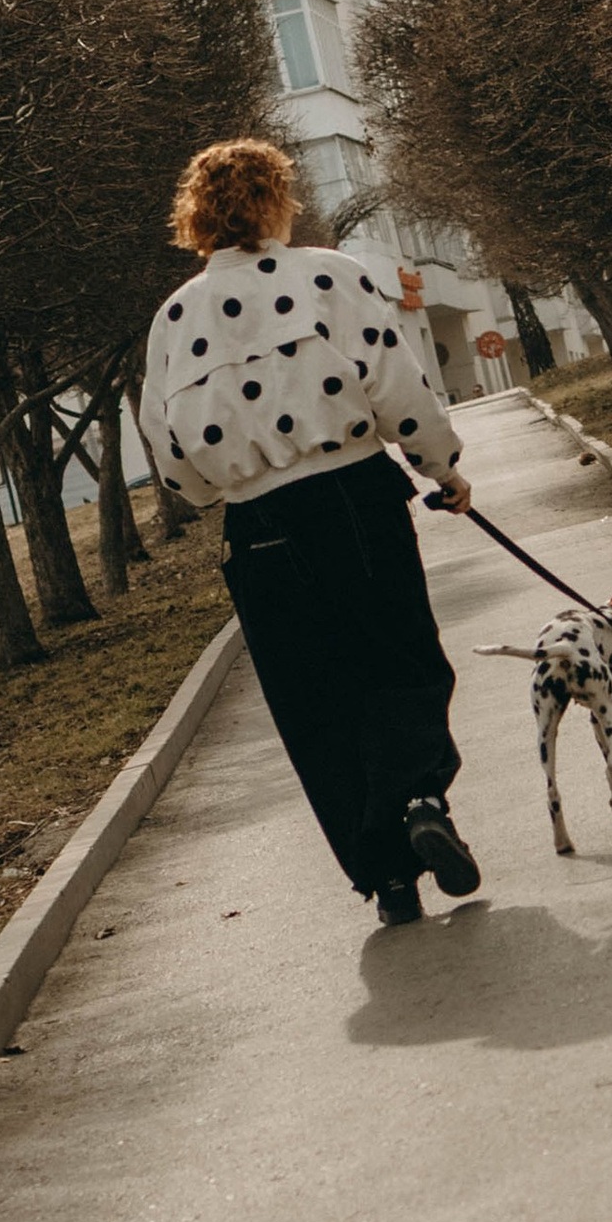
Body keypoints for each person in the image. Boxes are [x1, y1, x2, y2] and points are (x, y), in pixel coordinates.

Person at [138, 137, 485, 925]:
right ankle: (422, 797)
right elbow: (398, 383)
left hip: (255, 525)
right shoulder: (331, 276)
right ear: (276, 199)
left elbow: (168, 450)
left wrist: (220, 488)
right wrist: (444, 470)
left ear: (194, 219)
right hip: (354, 499)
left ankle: (385, 875)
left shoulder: (173, 319)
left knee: (314, 699)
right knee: (399, 660)